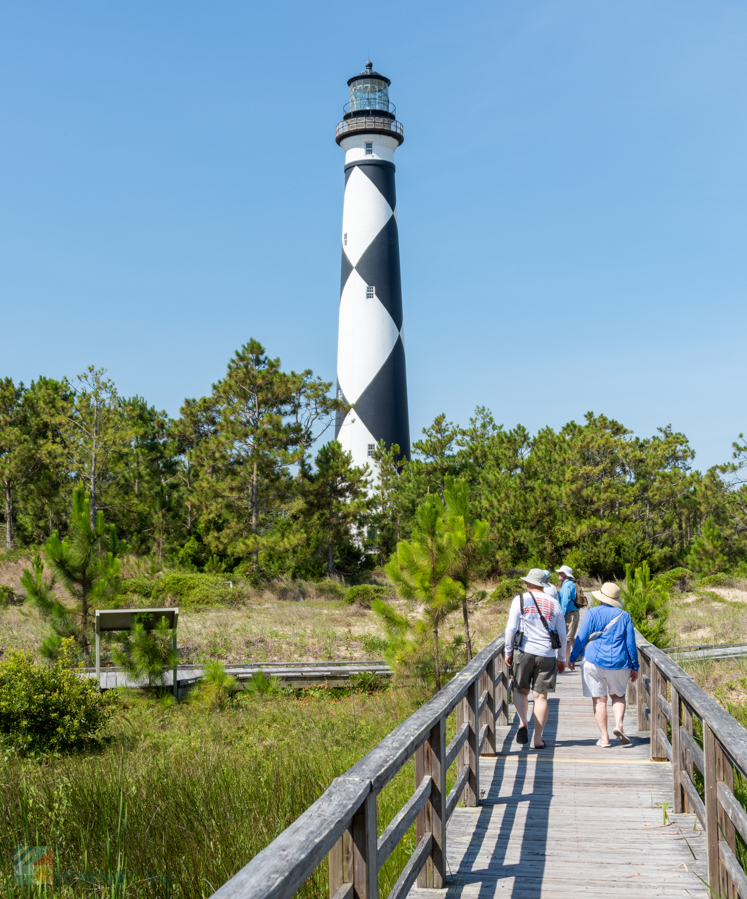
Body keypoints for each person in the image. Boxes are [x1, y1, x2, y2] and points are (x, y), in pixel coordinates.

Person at [568, 582, 639, 748]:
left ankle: (605, 738)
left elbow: (581, 637)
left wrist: (572, 657)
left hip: (594, 661)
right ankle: (619, 726)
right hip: (620, 662)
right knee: (618, 695)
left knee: (599, 700)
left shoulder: (592, 613)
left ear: (601, 598)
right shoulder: (625, 616)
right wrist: (634, 666)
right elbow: (630, 644)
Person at [505, 568, 567, 749]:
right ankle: (538, 739)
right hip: (546, 654)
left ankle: (523, 722)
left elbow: (511, 628)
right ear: (544, 584)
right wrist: (561, 658)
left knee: (520, 690)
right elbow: (562, 634)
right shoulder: (554, 603)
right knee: (540, 697)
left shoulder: (520, 600)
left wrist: (508, 651)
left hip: (524, 651)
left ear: (529, 583)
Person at [556, 565, 579, 664]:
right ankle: (579, 654)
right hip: (574, 613)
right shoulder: (571, 583)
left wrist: (561, 615)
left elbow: (565, 602)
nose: (559, 574)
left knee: (566, 639)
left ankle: (567, 660)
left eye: (560, 573)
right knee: (571, 636)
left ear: (565, 575)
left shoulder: (566, 585)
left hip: (569, 614)